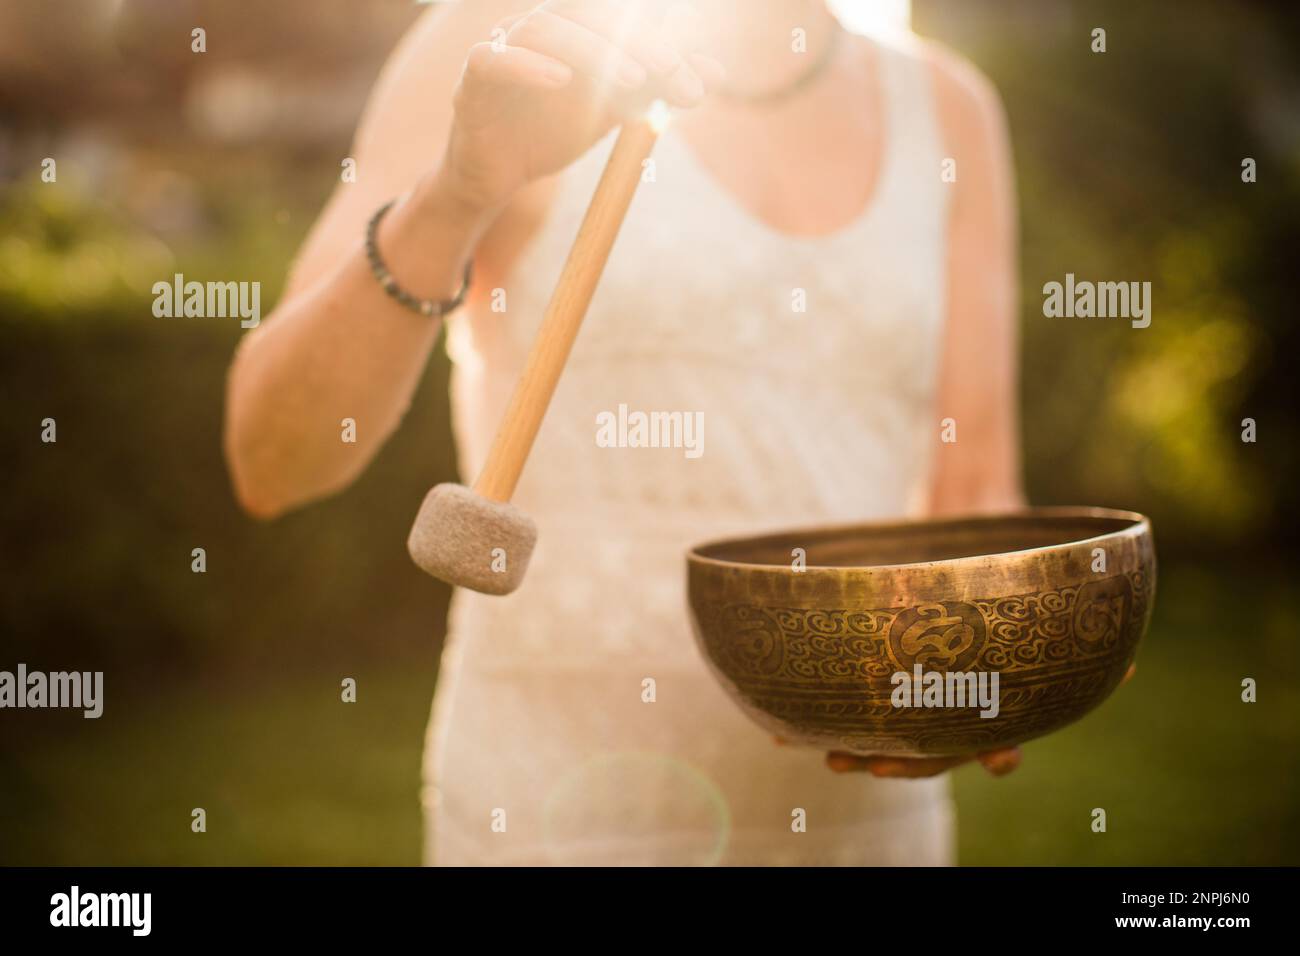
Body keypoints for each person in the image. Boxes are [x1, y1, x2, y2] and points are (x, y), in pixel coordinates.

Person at [224, 0, 1024, 865]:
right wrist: (454, 196)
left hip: (857, 833)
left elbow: (976, 495)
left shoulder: (948, 110)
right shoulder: (501, 39)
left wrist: (981, 675)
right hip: (552, 819)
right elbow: (273, 457)